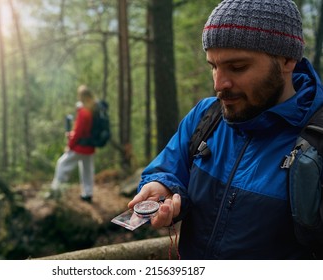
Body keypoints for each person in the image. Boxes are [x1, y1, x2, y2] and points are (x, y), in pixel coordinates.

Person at [128, 0, 323, 259]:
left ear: (287, 59)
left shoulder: (317, 140)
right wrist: (162, 187)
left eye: (238, 67)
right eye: (213, 66)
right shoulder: (207, 116)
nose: (219, 84)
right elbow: (168, 168)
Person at [49, 85, 96, 203]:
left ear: (81, 97)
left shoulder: (83, 112)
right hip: (90, 146)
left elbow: (79, 131)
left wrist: (69, 144)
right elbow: (86, 130)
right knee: (87, 170)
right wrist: (72, 134)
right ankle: (88, 194)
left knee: (62, 164)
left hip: (80, 147)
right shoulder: (92, 109)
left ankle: (55, 189)